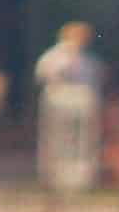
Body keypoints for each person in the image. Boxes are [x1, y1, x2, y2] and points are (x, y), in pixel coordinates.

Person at [34, 18, 104, 192]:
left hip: (82, 103)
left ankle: (81, 178)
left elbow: (96, 78)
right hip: (59, 101)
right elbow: (43, 74)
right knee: (57, 139)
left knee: (82, 142)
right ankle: (53, 177)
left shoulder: (88, 60)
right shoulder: (53, 56)